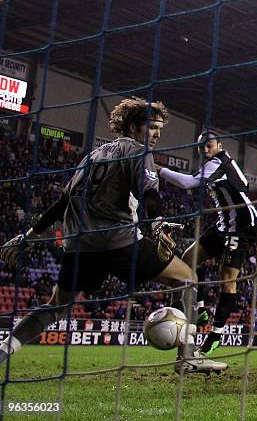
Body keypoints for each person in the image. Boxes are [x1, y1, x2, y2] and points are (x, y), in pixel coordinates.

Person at [0, 97, 226, 374]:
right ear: (132, 126)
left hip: (79, 246)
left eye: (159, 129)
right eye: (151, 127)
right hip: (119, 240)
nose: (155, 134)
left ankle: (3, 350)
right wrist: (156, 223)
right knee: (187, 277)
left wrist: (28, 236)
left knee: (56, 306)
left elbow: (61, 203)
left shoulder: (92, 156)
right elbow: (150, 194)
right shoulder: (139, 152)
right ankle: (188, 358)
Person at [156, 130, 257, 357]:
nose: (204, 149)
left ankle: (216, 335)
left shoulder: (219, 163)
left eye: (208, 145)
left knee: (227, 279)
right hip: (224, 224)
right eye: (201, 146)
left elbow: (186, 183)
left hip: (242, 226)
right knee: (188, 259)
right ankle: (201, 309)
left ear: (219, 145)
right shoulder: (219, 163)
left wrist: (159, 170)